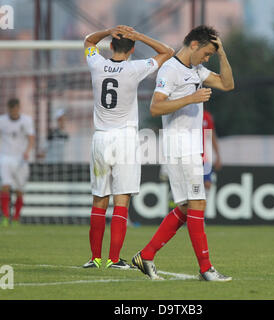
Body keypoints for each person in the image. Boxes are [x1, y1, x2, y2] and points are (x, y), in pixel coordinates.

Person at [132, 25, 235, 281]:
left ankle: (146, 255)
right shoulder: (170, 70)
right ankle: (205, 269)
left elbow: (227, 84)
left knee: (189, 207)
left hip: (192, 148)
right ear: (193, 45)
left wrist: (222, 54)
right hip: (179, 147)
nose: (207, 58)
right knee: (197, 203)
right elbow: (156, 107)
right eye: (208, 53)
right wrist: (191, 98)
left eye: (212, 55)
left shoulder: (198, 70)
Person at [82, 25, 174, 269]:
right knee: (121, 200)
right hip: (124, 139)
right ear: (132, 49)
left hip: (101, 138)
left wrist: (110, 29)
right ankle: (113, 259)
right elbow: (168, 52)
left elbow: (89, 41)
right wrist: (140, 36)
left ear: (110, 46)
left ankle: (94, 258)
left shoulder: (97, 64)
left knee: (99, 199)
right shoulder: (135, 68)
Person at [0, 98, 35, 227]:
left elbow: (31, 139)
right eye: (11, 109)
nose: (14, 112)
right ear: (8, 109)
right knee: (5, 186)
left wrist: (27, 151)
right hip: (5, 157)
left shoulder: (27, 120)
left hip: (20, 159)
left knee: (19, 190)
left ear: (19, 108)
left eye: (16, 109)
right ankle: (5, 216)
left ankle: (16, 217)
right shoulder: (1, 120)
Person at [202, 106, 222, 193]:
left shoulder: (206, 116)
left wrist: (218, 156)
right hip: (190, 156)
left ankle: (201, 206)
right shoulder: (187, 116)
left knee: (207, 184)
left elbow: (212, 136)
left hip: (204, 157)